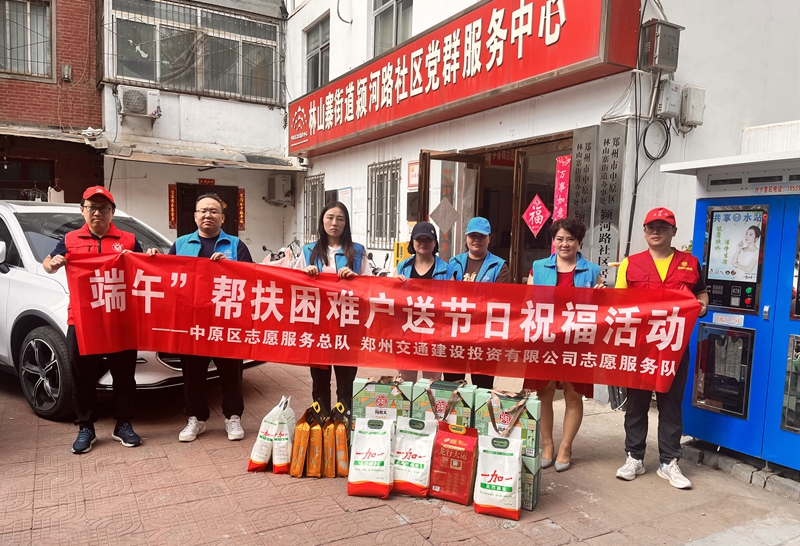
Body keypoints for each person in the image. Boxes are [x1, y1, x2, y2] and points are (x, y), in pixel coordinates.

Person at [43, 186, 159, 454]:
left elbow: (145, 266)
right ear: (82, 210)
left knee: (124, 374)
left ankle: (124, 423)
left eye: (104, 208)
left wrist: (150, 256)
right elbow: (47, 263)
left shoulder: (128, 239)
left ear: (112, 212)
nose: (97, 213)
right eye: (92, 207)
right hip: (83, 318)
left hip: (121, 317)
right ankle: (86, 426)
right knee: (82, 374)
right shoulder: (70, 239)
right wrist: (54, 263)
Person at [614, 207, 708, 489]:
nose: (656, 232)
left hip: (673, 348)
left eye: (662, 227)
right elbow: (618, 303)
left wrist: (702, 307)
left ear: (673, 232)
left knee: (670, 404)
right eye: (651, 227)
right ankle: (634, 457)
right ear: (644, 232)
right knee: (636, 403)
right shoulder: (630, 264)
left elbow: (701, 294)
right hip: (639, 347)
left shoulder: (690, 263)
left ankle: (669, 462)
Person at [170, 194, 253, 442]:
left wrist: (230, 266)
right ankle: (196, 418)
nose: (208, 215)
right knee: (193, 372)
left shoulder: (236, 245)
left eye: (214, 211)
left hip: (227, 321)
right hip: (192, 321)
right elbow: (167, 277)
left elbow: (251, 278)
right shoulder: (180, 244)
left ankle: (233, 417)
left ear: (223, 218)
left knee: (231, 372)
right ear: (195, 216)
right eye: (203, 211)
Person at [524, 217, 603, 472]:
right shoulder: (538, 268)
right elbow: (527, 303)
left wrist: (601, 297)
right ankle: (547, 445)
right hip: (545, 338)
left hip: (578, 341)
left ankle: (566, 447)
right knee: (544, 392)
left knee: (573, 393)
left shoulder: (592, 271)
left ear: (580, 242)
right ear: (553, 241)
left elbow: (601, 310)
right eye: (560, 239)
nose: (565, 244)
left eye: (571, 239)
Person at [297, 201, 371, 410]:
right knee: (319, 381)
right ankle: (321, 421)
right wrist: (305, 275)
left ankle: (343, 420)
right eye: (330, 217)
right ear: (322, 220)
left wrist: (355, 278)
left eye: (340, 219)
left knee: (346, 381)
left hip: (348, 326)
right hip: (318, 326)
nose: (334, 223)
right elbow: (294, 283)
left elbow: (371, 284)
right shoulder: (309, 251)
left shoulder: (357, 251)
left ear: (346, 223)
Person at [445, 217, 509, 389]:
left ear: (489, 238)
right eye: (473, 236)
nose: (477, 240)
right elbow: (446, 294)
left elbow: (499, 299)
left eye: (482, 236)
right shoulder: (454, 263)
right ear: (466, 237)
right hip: (456, 333)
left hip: (484, 335)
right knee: (452, 385)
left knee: (483, 388)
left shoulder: (499, 266)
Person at [395, 221, 454, 382]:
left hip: (435, 334)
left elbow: (452, 302)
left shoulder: (446, 270)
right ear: (412, 242)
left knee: (431, 384)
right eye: (419, 239)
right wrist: (394, 284)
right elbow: (389, 298)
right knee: (406, 383)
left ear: (435, 243)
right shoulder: (402, 268)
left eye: (428, 239)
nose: (423, 243)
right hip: (407, 333)